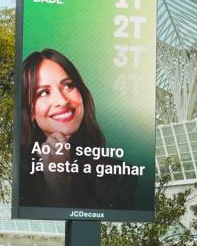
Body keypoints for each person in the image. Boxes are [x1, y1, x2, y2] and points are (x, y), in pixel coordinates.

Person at [18, 49, 141, 212]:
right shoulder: (19, 176)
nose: (62, 101)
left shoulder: (120, 176)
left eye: (68, 86)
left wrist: (60, 188)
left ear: (81, 93)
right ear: (30, 111)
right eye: (43, 92)